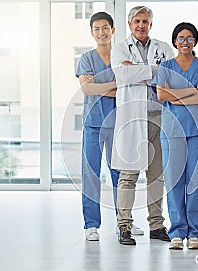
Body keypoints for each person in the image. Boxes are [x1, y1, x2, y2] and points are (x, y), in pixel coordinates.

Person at [110, 6, 174, 245]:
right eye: (136, 21)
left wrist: (136, 70)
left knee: (157, 176)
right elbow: (122, 76)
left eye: (145, 21)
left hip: (158, 116)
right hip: (131, 118)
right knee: (128, 175)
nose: (140, 25)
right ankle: (124, 225)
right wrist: (153, 71)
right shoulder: (119, 49)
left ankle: (156, 225)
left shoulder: (163, 48)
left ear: (151, 23)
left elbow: (169, 74)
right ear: (129, 24)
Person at [154, 22, 198, 250]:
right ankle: (176, 232)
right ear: (174, 41)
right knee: (174, 181)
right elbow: (162, 94)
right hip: (173, 131)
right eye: (181, 38)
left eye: (189, 38)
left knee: (195, 182)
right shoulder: (165, 66)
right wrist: (193, 91)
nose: (185, 42)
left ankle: (194, 233)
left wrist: (177, 95)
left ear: (195, 41)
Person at [75, 12, 120, 241]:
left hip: (118, 123)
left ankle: (124, 222)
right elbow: (86, 90)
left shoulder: (122, 57)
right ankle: (91, 224)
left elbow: (127, 88)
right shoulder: (86, 58)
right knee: (91, 174)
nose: (101, 33)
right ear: (92, 32)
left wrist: (98, 84)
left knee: (119, 174)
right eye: (96, 29)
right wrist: (114, 85)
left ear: (112, 30)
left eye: (105, 28)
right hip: (93, 124)